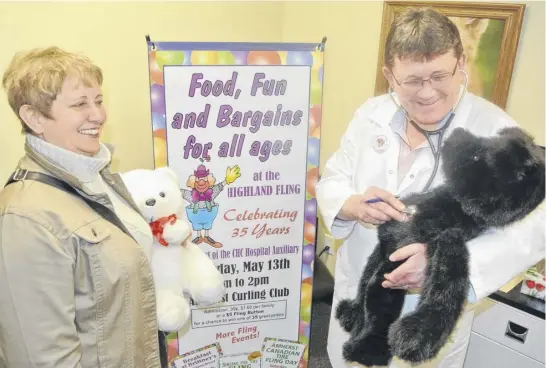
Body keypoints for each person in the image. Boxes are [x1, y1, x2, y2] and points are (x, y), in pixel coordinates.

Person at [316, 8, 545, 368]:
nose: (427, 93)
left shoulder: (496, 131)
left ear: (462, 63)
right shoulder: (369, 115)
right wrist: (352, 204)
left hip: (425, 319)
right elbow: (333, 179)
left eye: (439, 75)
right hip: (358, 299)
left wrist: (438, 266)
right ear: (389, 75)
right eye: (411, 80)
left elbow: (533, 230)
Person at [0, 47, 162, 367]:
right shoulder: (25, 217)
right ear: (33, 117)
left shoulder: (99, 178)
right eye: (79, 104)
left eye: (98, 100)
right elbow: (42, 358)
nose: (98, 115)